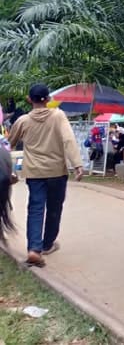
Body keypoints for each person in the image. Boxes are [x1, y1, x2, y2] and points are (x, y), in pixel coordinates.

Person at [7, 83, 84, 267]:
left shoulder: (23, 121)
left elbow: (8, 143)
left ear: (29, 99)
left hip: (34, 173)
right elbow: (68, 139)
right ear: (48, 99)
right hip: (57, 172)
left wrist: (8, 167)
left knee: (35, 208)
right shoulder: (58, 116)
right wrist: (77, 164)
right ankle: (47, 244)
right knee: (54, 209)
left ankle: (34, 249)